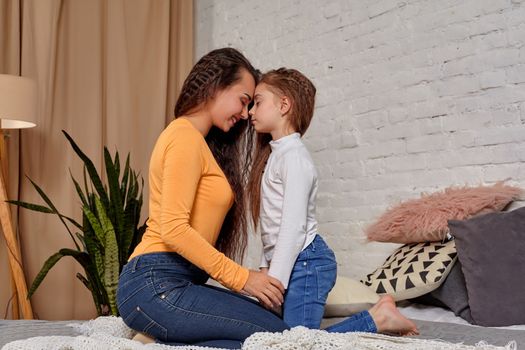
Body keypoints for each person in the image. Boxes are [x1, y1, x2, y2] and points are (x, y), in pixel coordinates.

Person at [116, 48, 289, 349]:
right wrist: (243, 278)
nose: (246, 113)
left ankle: (160, 340)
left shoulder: (197, 142)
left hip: (171, 281)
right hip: (155, 283)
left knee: (269, 328)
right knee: (274, 335)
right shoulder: (183, 136)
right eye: (244, 100)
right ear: (217, 84)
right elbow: (173, 228)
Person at [247, 67, 419, 335]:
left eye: (257, 102)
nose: (250, 111)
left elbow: (293, 228)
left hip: (307, 262)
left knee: (297, 341)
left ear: (283, 105)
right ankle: (378, 317)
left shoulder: (294, 159)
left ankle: (377, 320)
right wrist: (264, 267)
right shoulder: (276, 156)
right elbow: (273, 223)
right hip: (293, 262)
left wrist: (274, 281)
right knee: (278, 337)